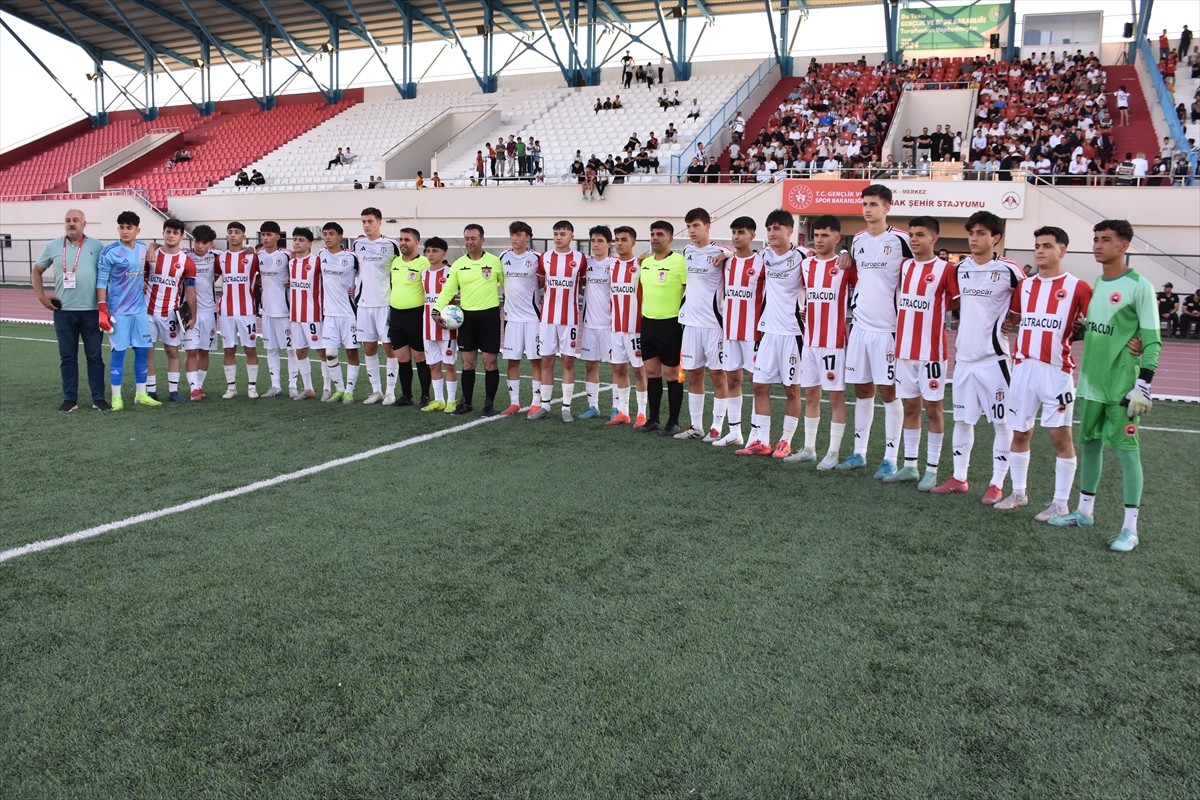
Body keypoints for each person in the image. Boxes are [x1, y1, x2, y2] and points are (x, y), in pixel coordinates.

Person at [1050, 220, 1161, 553]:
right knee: (1091, 447)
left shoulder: (1140, 286)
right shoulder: (1098, 283)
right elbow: (1100, 330)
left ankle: (1130, 529)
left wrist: (1144, 383)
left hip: (1121, 387)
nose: (1098, 245)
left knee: (1128, 454)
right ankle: (1084, 513)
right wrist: (1081, 330)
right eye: (1096, 239)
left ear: (1124, 245)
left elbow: (1153, 340)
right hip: (1090, 384)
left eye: (1106, 240)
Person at [994, 226, 1092, 519]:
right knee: (1020, 432)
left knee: (1060, 437)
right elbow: (1014, 316)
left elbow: (1093, 326)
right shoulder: (1025, 286)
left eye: (1047, 246)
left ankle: (1060, 503)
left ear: (1062, 250)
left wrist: (1083, 330)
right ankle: (1019, 493)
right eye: (1037, 245)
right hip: (1024, 369)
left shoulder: (1079, 287)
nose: (1040, 251)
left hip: (1056, 371)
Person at [931, 211, 1023, 503]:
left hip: (994, 360)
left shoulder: (1010, 270)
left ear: (995, 238)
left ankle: (996, 483)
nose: (974, 238)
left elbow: (1028, 301)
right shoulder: (960, 269)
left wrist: (1014, 319)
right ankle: (959, 477)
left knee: (1002, 423)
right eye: (971, 233)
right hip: (965, 360)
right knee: (962, 421)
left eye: (981, 233)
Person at [836, 184, 912, 477]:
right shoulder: (857, 240)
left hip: (888, 330)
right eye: (864, 204)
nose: (867, 209)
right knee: (863, 389)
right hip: (861, 328)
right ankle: (859, 453)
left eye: (873, 204)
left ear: (887, 207)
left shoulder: (902, 240)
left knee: (890, 392)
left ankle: (890, 458)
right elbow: (854, 268)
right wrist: (844, 253)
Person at [883, 216, 953, 489]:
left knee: (933, 409)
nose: (913, 239)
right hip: (904, 351)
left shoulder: (946, 270)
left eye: (920, 235)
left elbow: (964, 303)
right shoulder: (904, 267)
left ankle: (932, 469)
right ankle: (910, 466)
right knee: (910, 406)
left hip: (931, 353)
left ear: (934, 238)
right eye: (911, 234)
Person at [736, 209, 806, 458]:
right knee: (759, 385)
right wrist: (722, 253)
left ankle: (785, 441)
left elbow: (826, 263)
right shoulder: (763, 256)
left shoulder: (803, 257)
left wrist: (842, 254)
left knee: (791, 389)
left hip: (792, 333)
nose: (772, 232)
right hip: (767, 332)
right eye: (769, 228)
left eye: (777, 228)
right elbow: (739, 255)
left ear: (790, 231)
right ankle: (760, 441)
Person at [790, 215, 855, 466]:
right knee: (811, 395)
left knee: (836, 397)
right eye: (816, 235)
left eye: (825, 235)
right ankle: (809, 448)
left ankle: (833, 451)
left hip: (833, 342)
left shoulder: (846, 265)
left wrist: (848, 252)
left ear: (837, 238)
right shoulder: (806, 264)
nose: (819, 240)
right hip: (810, 340)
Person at [34, 208, 107, 412]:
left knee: (95, 357)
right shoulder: (53, 246)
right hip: (64, 312)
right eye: (68, 220)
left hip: (91, 311)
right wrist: (41, 296)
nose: (71, 223)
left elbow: (107, 274)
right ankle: (70, 399)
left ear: (85, 223)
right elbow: (37, 270)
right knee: (67, 357)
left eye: (76, 220)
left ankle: (99, 398)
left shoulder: (97, 246)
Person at [433, 223, 504, 415]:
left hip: (489, 317)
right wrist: (436, 310)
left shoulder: (495, 262)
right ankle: (466, 403)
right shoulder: (458, 265)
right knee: (467, 363)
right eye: (467, 238)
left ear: (482, 239)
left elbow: (508, 287)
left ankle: (489, 404)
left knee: (490, 363)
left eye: (473, 238)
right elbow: (448, 290)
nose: (469, 242)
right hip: (467, 318)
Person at [673, 208, 731, 440]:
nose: (691, 231)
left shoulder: (721, 251)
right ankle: (696, 426)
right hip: (690, 324)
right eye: (688, 226)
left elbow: (741, 253)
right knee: (694, 374)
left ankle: (716, 426)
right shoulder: (687, 251)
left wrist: (728, 255)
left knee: (718, 375)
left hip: (713, 325)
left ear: (707, 226)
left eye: (696, 225)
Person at [709, 216, 764, 448]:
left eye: (741, 232)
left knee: (757, 382)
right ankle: (734, 432)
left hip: (753, 333)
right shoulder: (727, 263)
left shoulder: (762, 263)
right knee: (733, 379)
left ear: (752, 235)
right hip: (730, 331)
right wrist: (728, 253)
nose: (736, 236)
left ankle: (756, 434)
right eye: (733, 232)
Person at [95, 211, 155, 411]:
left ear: (137, 230)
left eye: (129, 227)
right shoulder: (109, 251)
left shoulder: (142, 247)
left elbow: (149, 255)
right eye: (121, 227)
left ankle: (141, 394)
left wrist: (153, 247)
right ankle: (116, 397)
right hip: (118, 312)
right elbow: (101, 280)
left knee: (142, 350)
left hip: (139, 311)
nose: (125, 231)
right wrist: (102, 308)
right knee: (118, 353)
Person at [530, 221, 586, 422]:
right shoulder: (544, 258)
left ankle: (566, 407)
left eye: (563, 233)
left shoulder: (580, 259)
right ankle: (544, 405)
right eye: (555, 234)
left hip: (569, 318)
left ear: (571, 235)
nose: (558, 237)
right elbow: (540, 283)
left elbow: (584, 285)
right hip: (546, 319)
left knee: (568, 361)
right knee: (546, 360)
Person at [636, 220, 687, 433]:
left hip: (671, 324)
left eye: (660, 234)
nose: (655, 238)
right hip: (648, 324)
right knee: (652, 372)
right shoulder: (646, 262)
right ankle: (654, 419)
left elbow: (689, 290)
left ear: (670, 238)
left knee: (673, 375)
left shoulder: (680, 262)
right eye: (652, 234)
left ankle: (673, 422)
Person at [143, 218, 197, 403]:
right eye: (168, 231)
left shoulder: (186, 262)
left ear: (181, 236)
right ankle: (151, 391)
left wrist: (193, 315)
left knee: (172, 351)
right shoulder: (151, 255)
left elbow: (190, 292)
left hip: (170, 314)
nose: (171, 235)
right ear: (163, 233)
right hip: (147, 312)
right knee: (148, 351)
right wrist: (151, 246)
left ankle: (173, 392)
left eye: (175, 232)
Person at [352, 207, 401, 404]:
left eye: (370, 221)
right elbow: (354, 269)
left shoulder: (391, 245)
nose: (366, 225)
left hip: (385, 304)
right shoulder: (357, 244)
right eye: (363, 221)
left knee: (390, 348)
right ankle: (376, 391)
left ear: (380, 222)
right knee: (369, 348)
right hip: (364, 305)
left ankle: (390, 392)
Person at [495, 221, 544, 415]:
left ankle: (536, 401)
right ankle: (514, 403)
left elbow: (541, 282)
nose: (515, 238)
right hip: (511, 319)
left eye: (519, 234)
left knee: (535, 360)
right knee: (512, 361)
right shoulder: (503, 256)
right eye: (512, 234)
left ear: (528, 237)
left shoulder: (536, 257)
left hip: (532, 318)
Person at [607, 225, 648, 426]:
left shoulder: (642, 264)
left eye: (624, 239)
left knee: (639, 371)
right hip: (616, 328)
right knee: (619, 369)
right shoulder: (611, 265)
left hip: (635, 328)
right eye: (617, 240)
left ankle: (642, 413)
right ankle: (623, 412)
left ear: (633, 242)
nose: (620, 243)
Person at [386, 227, 432, 407]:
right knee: (402, 357)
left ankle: (425, 395)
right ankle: (406, 395)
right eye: (401, 239)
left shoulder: (424, 263)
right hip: (396, 315)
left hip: (416, 315)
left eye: (407, 240)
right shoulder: (395, 262)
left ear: (416, 242)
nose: (403, 243)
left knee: (420, 356)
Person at [215, 221, 260, 399]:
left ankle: (252, 387)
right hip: (226, 311)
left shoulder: (252, 257)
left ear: (243, 236)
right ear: (227, 236)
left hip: (247, 310)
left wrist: (252, 249)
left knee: (250, 349)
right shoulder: (221, 258)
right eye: (230, 232)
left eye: (237, 232)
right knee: (228, 349)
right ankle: (231, 388)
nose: (233, 235)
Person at [317, 221, 360, 403]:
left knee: (351, 352)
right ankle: (339, 389)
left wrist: (357, 286)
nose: (327, 237)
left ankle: (350, 390)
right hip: (330, 315)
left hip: (348, 313)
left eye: (331, 234)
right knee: (330, 354)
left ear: (340, 236)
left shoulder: (351, 257)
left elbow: (366, 274)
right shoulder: (320, 254)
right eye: (325, 234)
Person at [255, 221, 298, 399]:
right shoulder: (259, 255)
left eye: (269, 234)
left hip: (284, 310)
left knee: (290, 349)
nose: (265, 238)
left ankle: (293, 385)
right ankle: (275, 386)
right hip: (267, 310)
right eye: (263, 235)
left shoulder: (288, 255)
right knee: (270, 349)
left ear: (278, 236)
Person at [419, 237, 459, 412]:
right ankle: (439, 400)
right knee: (433, 365)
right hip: (427, 325)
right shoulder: (423, 274)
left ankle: (451, 401)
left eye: (434, 250)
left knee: (449, 364)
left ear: (444, 253)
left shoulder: (451, 272)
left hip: (446, 326)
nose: (430, 254)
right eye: (428, 250)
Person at [286, 226, 324, 401]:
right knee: (300, 351)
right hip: (295, 315)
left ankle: (327, 388)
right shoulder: (291, 262)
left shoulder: (317, 262)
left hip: (313, 315)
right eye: (294, 239)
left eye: (300, 240)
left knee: (322, 352)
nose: (296, 242)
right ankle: (308, 388)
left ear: (309, 243)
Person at [182, 224, 217, 401]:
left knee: (204, 351)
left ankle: (199, 385)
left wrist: (249, 249)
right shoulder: (184, 255)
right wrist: (152, 246)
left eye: (204, 243)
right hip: (189, 312)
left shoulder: (216, 257)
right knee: (191, 350)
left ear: (210, 244)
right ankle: (194, 388)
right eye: (197, 242)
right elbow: (160, 247)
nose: (200, 246)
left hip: (209, 311)